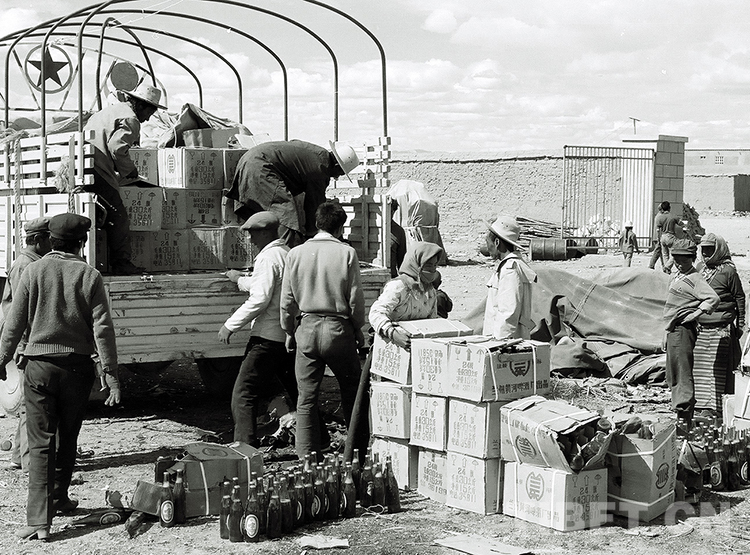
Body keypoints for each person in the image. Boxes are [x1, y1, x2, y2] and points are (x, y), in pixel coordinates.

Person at [0, 213, 121, 541]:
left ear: (51, 241)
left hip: (39, 368)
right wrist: (110, 373)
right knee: (67, 438)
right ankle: (59, 499)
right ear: (82, 243)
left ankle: (40, 521)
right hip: (76, 370)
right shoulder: (89, 275)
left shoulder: (34, 271)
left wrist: (2, 359)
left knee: (40, 443)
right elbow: (103, 328)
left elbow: (14, 322)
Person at [280, 200, 365, 461]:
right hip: (338, 331)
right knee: (352, 393)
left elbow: (287, 302)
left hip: (306, 328)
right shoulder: (346, 253)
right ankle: (356, 455)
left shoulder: (295, 254)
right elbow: (355, 299)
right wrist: (358, 329)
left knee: (306, 399)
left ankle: (307, 460)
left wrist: (289, 331)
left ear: (316, 224)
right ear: (340, 228)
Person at [217, 211, 296, 447]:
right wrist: (239, 279)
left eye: (252, 234)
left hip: (266, 337)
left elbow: (260, 298)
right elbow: (265, 284)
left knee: (243, 393)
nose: (250, 239)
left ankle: (245, 447)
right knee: (297, 391)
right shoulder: (287, 254)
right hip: (287, 336)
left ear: (265, 233)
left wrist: (230, 325)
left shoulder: (267, 258)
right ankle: (318, 440)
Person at [84, 83, 166, 275]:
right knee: (119, 217)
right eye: (149, 113)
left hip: (85, 167)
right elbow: (117, 148)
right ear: (141, 106)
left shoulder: (107, 112)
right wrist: (130, 171)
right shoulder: (130, 118)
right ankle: (121, 264)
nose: (147, 119)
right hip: (98, 171)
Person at [226, 140, 360, 248]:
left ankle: (270, 252)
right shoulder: (320, 169)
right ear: (336, 165)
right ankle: (285, 259)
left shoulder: (317, 154)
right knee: (286, 214)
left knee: (266, 217)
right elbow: (314, 207)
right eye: (340, 173)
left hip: (250, 160)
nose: (336, 177)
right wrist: (316, 238)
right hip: (260, 167)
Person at [0, 217, 51, 471]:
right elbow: (20, 313)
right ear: (38, 240)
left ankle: (19, 456)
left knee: (27, 404)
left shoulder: (30, 263)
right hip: (25, 343)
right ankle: (29, 459)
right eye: (49, 238)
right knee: (33, 405)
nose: (52, 243)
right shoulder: (25, 266)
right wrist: (22, 347)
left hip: (25, 342)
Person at [662, 238, 720, 427]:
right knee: (673, 372)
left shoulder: (695, 278)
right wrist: (666, 332)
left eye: (684, 260)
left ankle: (684, 417)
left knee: (682, 371)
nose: (679, 264)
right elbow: (671, 308)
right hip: (674, 329)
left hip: (683, 330)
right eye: (676, 260)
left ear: (692, 259)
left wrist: (695, 314)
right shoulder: (677, 276)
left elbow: (713, 298)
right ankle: (681, 412)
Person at [692, 233, 746, 415]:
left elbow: (739, 297)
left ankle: (716, 409)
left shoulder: (728, 272)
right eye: (703, 249)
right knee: (699, 370)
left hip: (721, 330)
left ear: (719, 250)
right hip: (700, 329)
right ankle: (699, 407)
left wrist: (740, 324)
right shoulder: (699, 269)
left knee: (718, 371)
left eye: (710, 250)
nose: (705, 254)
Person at [482, 215, 537, 340]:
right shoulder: (511, 265)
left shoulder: (510, 269)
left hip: (504, 342)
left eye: (488, 242)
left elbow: (508, 312)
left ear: (497, 242)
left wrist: (498, 342)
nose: (487, 248)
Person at [659, 202, 682, 274]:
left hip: (663, 236)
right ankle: (667, 267)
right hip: (670, 236)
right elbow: (681, 223)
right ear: (669, 208)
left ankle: (667, 270)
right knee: (675, 253)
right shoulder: (673, 216)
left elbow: (658, 227)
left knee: (665, 254)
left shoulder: (660, 217)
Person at [649, 202, 670, 271]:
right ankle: (651, 265)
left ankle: (664, 266)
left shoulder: (659, 216)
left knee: (661, 252)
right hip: (658, 237)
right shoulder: (660, 216)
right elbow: (659, 229)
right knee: (658, 252)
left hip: (658, 237)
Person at [389, 198, 407, 278]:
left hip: (391, 276)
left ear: (393, 212)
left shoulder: (398, 231)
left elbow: (401, 260)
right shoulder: (369, 229)